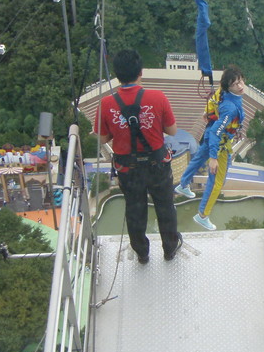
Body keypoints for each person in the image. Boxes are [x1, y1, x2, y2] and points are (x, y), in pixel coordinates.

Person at [97, 50, 181, 262]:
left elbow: (102, 138)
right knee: (165, 207)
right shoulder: (158, 97)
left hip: (128, 168)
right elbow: (172, 131)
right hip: (158, 165)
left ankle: (142, 253)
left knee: (135, 210)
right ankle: (170, 249)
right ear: (140, 72)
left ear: (117, 75)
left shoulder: (106, 104)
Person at [175, 66, 246, 231]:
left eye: (241, 81)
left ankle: (183, 184)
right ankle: (202, 215)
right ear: (229, 87)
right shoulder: (231, 108)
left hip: (209, 135)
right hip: (219, 144)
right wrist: (214, 158)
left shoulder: (222, 92)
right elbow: (217, 132)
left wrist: (207, 114)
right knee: (217, 182)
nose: (241, 86)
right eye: (236, 84)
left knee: (198, 159)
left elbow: (212, 107)